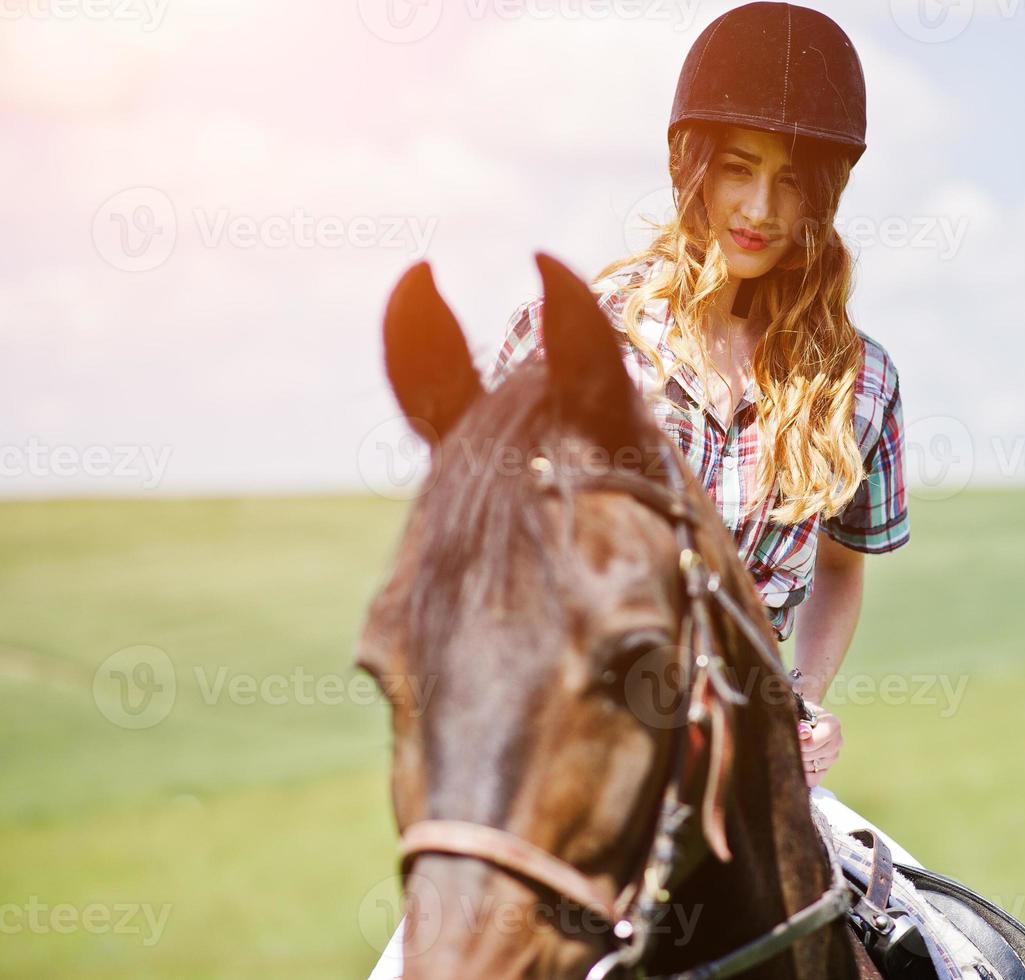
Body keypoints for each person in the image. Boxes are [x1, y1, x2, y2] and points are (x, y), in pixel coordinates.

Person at [367, 5, 918, 976]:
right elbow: (510, 556)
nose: (758, 206)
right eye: (738, 166)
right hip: (585, 757)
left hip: (756, 769)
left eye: (790, 181)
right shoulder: (577, 337)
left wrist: (808, 700)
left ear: (824, 195)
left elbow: (841, 567)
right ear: (692, 167)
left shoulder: (863, 380)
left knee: (943, 946)